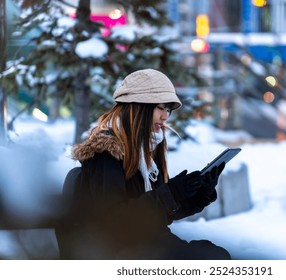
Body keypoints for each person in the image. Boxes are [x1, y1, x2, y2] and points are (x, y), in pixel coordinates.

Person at [55, 69, 230, 260]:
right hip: (119, 253)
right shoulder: (106, 152)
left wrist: (197, 194)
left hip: (146, 243)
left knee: (215, 255)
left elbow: (156, 214)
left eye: (168, 110)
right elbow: (113, 222)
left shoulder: (144, 147)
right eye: (161, 108)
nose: (165, 117)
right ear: (139, 106)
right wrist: (171, 193)